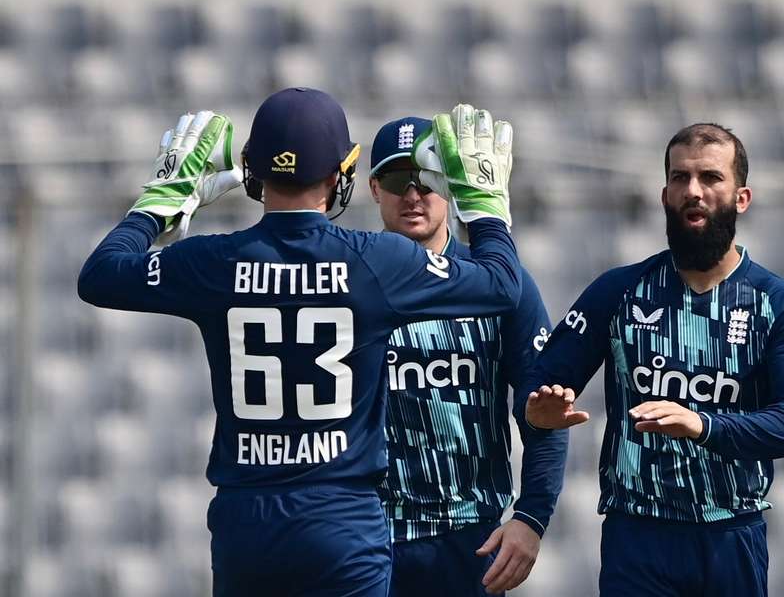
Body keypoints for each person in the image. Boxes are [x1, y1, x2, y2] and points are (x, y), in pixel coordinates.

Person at [78, 90, 524, 597]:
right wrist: (484, 206)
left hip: (246, 522)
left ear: (252, 171)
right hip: (341, 520)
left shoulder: (213, 261)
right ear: (340, 175)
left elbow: (99, 276)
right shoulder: (378, 260)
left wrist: (160, 200)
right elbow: (502, 282)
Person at [523, 123, 784, 597]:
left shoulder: (777, 303)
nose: (693, 191)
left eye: (710, 178)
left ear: (741, 198)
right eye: (680, 178)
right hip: (637, 534)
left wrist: (703, 425)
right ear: (665, 194)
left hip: (731, 533)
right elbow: (542, 386)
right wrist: (539, 411)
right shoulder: (618, 291)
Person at [368, 117, 568, 596]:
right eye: (398, 181)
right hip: (368, 535)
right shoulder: (351, 280)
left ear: (453, 184)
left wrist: (532, 516)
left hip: (468, 536)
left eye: (429, 179)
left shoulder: (497, 284)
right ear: (375, 189)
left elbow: (546, 409)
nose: (413, 195)